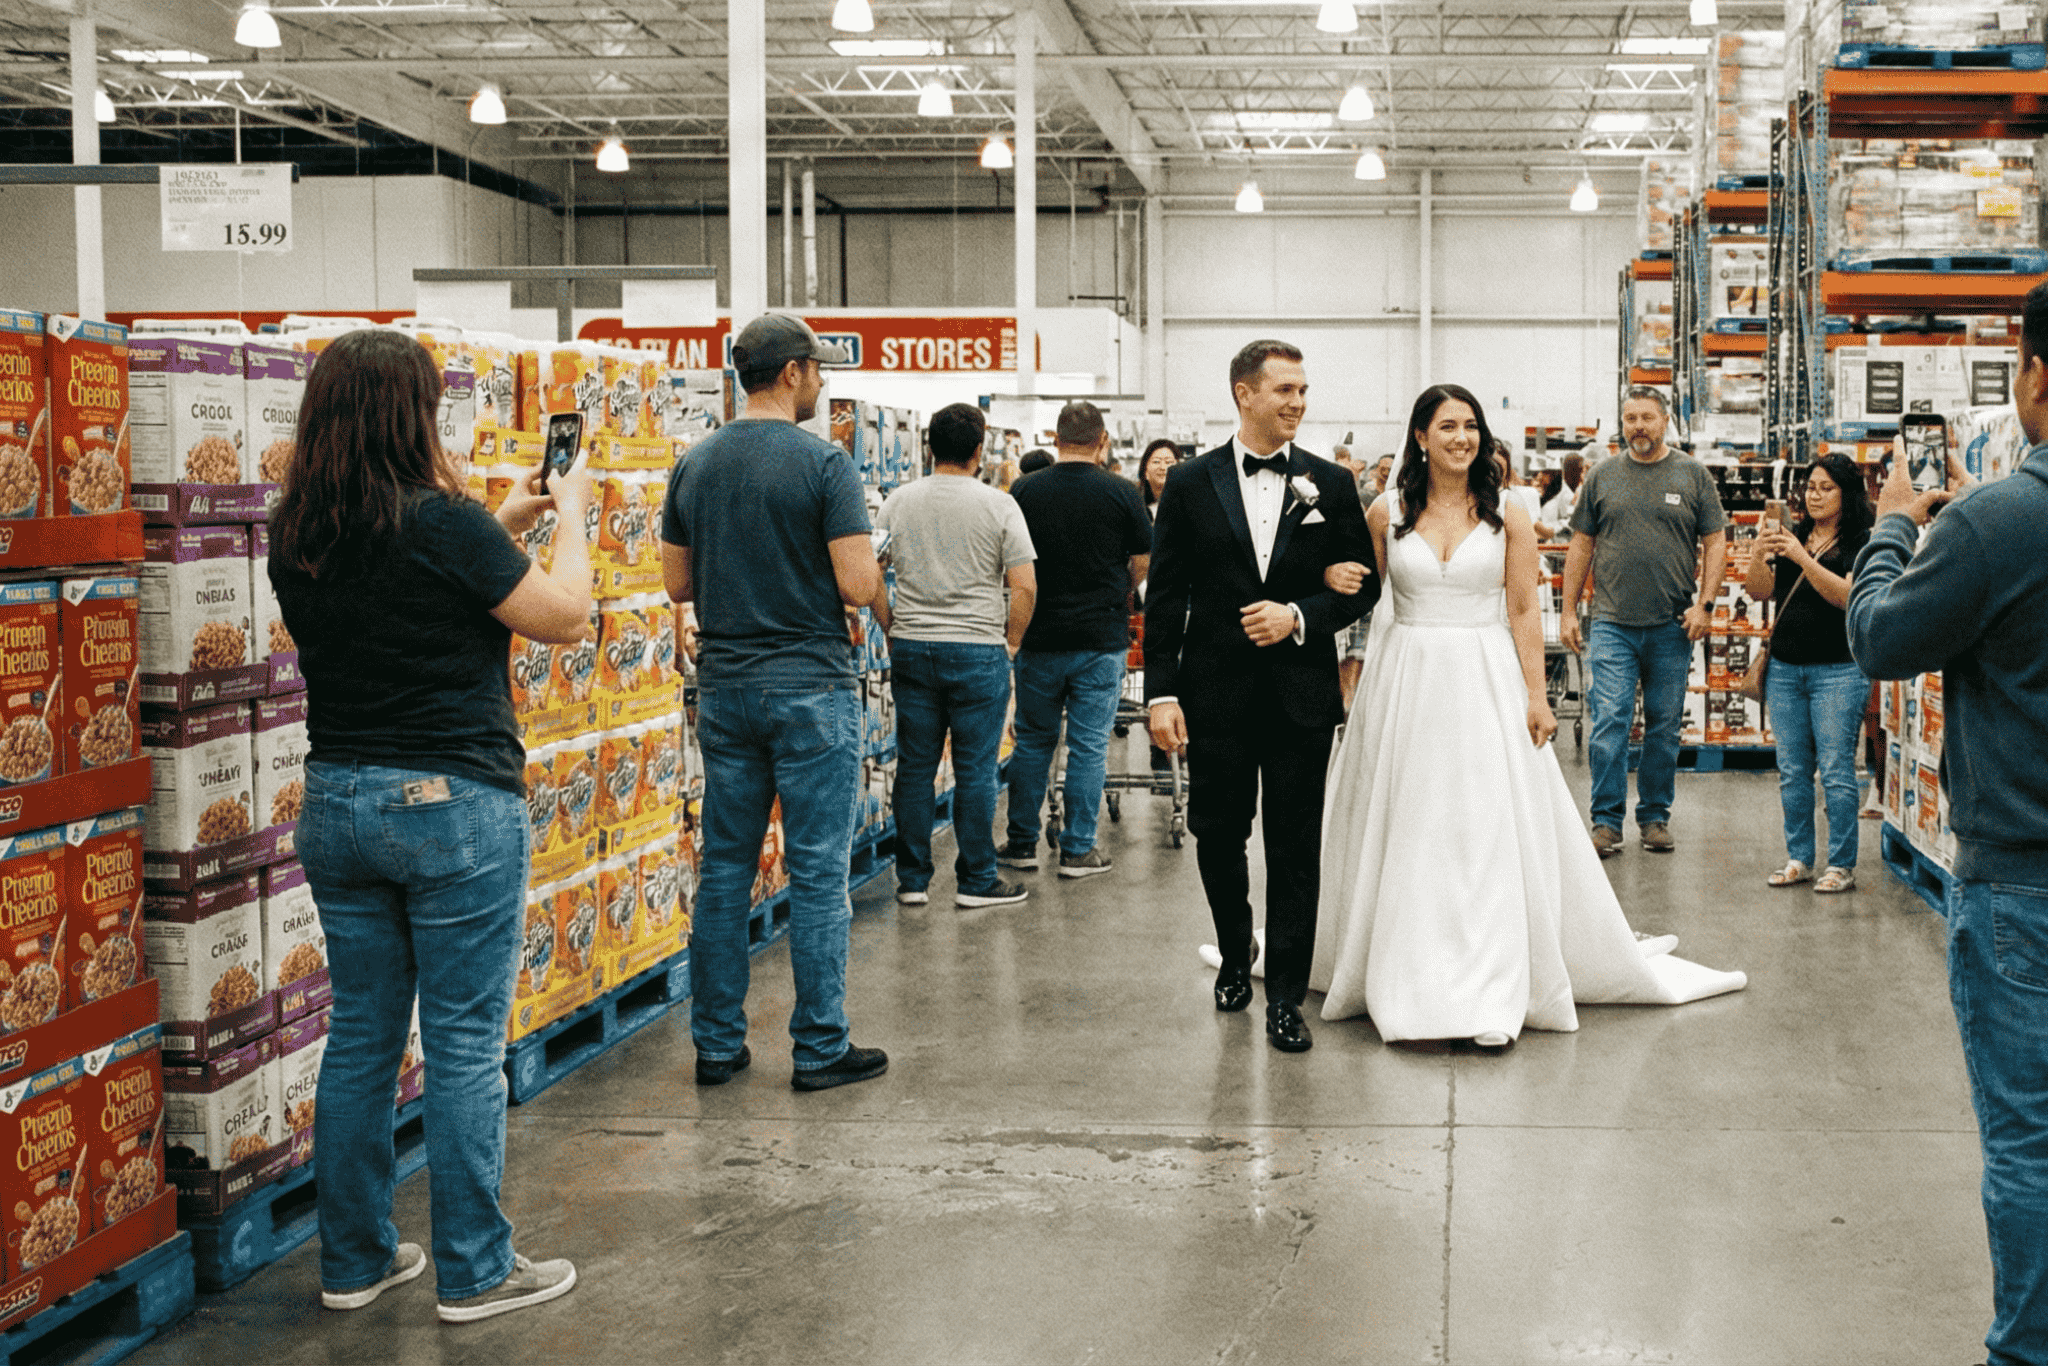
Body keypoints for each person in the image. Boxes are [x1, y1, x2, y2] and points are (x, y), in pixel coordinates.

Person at [270, 328, 584, 1322]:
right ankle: (476, 1268)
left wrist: (504, 519)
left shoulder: (299, 529)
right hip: (451, 805)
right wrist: (567, 516)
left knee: (360, 1033)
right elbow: (561, 615)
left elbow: (406, 587)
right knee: (458, 1039)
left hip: (337, 803)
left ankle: (355, 1259)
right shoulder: (443, 522)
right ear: (413, 415)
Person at [1298, 384, 1746, 1047]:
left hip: (1484, 679)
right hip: (1405, 686)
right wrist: (1322, 589)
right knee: (1411, 822)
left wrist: (1537, 696)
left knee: (1483, 826)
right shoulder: (1385, 512)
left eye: (1470, 426)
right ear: (1419, 436)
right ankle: (1407, 969)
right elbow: (1362, 597)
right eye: (1446, 426)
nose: (1461, 437)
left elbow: (1521, 611)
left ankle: (1488, 980)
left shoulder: (1506, 513)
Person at [1847, 283, 2048, 1366]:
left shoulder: (1997, 521)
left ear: (2031, 380)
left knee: (2026, 1138)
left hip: (2022, 880)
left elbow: (1878, 636)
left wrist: (1893, 522)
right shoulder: (1998, 518)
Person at [662, 314, 891, 1093]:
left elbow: (676, 584)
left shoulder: (693, 464)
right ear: (792, 372)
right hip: (811, 687)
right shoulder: (825, 465)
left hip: (726, 689)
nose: (822, 385)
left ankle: (717, 1045)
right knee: (820, 871)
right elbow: (858, 583)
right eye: (817, 371)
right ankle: (820, 1046)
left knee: (724, 869)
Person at [1145, 340, 1375, 1053]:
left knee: (1296, 845)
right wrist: (1161, 694)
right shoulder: (1188, 483)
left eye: (1303, 390)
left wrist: (1301, 613)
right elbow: (1166, 597)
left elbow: (1363, 581)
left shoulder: (1331, 485)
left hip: (1301, 695)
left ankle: (1285, 999)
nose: (1297, 403)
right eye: (1283, 390)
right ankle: (1233, 947)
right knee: (1218, 832)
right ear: (1243, 394)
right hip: (1215, 692)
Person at [876, 403, 1037, 908]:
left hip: (913, 647)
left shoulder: (896, 502)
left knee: (915, 766)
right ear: (979, 449)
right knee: (975, 768)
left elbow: (870, 572)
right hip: (977, 649)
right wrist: (1010, 641)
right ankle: (976, 879)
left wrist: (891, 625)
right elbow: (1025, 586)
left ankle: (912, 880)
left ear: (928, 447)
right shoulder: (999, 505)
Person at [1560, 386, 1727, 858]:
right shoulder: (1602, 477)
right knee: (1609, 721)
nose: (1637, 426)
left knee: (1664, 724)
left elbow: (1716, 541)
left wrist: (1707, 605)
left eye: (1646, 417)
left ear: (1665, 420)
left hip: (1673, 625)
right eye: (1629, 417)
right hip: (1612, 622)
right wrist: (1569, 609)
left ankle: (1654, 817)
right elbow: (1580, 546)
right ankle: (1606, 821)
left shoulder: (1693, 476)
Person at [1001, 401, 1152, 879]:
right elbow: (1143, 561)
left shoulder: (1024, 490)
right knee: (1088, 746)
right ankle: (1078, 849)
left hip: (1039, 637)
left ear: (1055, 439)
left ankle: (1022, 842)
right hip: (1100, 639)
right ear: (1102, 440)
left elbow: (1012, 564)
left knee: (1033, 743)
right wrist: (1121, 590)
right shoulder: (1122, 492)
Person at [1744, 453, 1873, 895]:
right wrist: (1761, 553)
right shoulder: (1793, 534)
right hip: (1784, 668)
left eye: (1825, 487)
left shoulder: (1862, 539)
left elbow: (1847, 597)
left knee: (1836, 770)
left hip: (1839, 670)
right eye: (1810, 487)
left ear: (1846, 492)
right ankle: (1799, 856)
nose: (1814, 496)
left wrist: (1801, 558)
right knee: (1792, 770)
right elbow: (1759, 590)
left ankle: (1841, 864)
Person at [1138, 437, 1181, 521]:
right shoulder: (1135, 508)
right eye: (1156, 462)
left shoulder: (1190, 506)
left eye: (1168, 462)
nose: (1163, 467)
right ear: (1145, 472)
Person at [1540, 451, 1584, 533]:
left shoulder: (1568, 489)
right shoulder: (1566, 494)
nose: (1582, 474)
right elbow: (1569, 518)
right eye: (1580, 470)